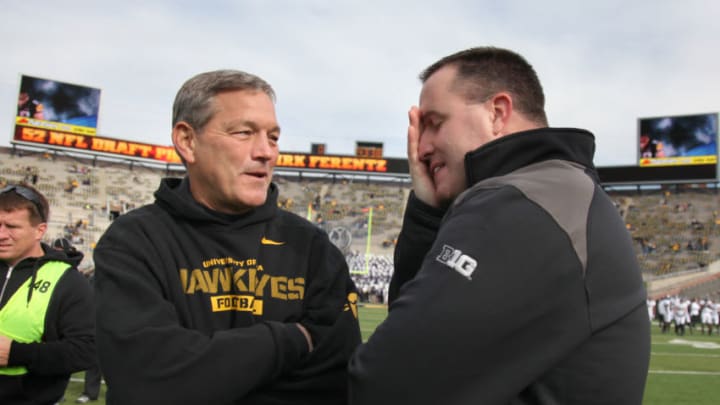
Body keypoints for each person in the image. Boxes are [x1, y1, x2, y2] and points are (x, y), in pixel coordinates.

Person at [348, 47, 650, 404]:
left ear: (497, 113)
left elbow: (384, 382)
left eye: (434, 123)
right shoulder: (557, 193)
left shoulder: (521, 203)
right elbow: (409, 326)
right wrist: (427, 213)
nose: (421, 148)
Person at [93, 70, 361, 404]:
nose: (266, 151)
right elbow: (146, 377)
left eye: (273, 137)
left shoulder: (312, 247)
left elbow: (336, 381)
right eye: (244, 132)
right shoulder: (134, 240)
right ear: (188, 141)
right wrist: (292, 340)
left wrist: (206, 372)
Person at [0, 184, 95, 404]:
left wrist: (16, 354)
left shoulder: (68, 281)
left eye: (12, 226)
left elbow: (87, 349)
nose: (1, 234)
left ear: (39, 230)